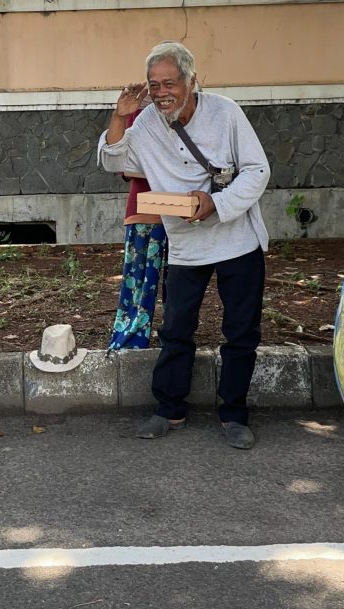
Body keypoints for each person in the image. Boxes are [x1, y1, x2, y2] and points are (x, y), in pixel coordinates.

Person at [97, 41, 270, 450]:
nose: (161, 93)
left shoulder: (226, 112)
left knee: (241, 330)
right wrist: (120, 117)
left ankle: (234, 413)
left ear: (192, 80)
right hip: (186, 243)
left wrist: (218, 202)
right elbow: (114, 162)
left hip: (237, 238)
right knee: (176, 328)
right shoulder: (145, 123)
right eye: (153, 85)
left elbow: (258, 169)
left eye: (169, 83)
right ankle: (169, 407)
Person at [107, 106, 167, 350]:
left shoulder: (198, 112)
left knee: (182, 282)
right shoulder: (141, 113)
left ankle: (175, 337)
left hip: (187, 210)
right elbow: (123, 164)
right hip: (145, 208)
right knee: (138, 281)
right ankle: (131, 338)